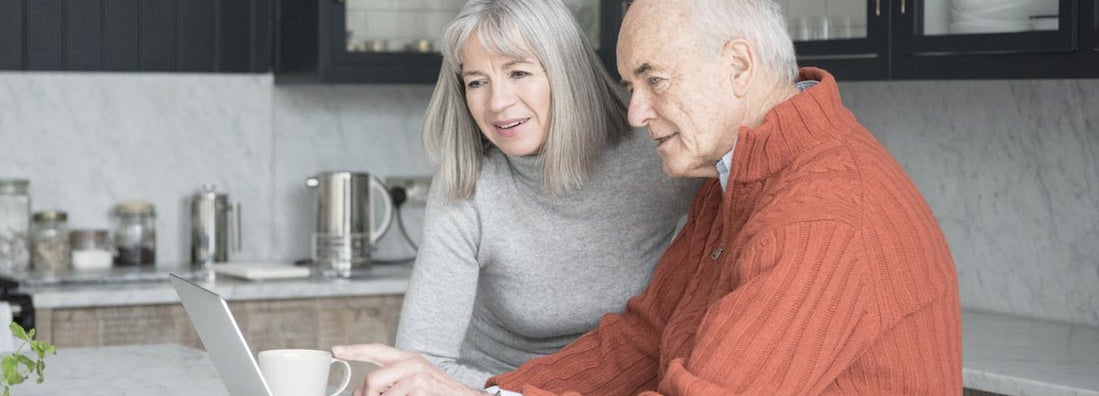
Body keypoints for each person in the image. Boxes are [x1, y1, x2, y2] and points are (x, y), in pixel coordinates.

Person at [334, 0, 963, 394]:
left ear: (738, 67)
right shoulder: (735, 178)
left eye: (654, 81)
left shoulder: (820, 217)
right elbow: (645, 336)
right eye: (632, 83)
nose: (635, 113)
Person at [388, 0, 699, 390]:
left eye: (518, 72)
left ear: (566, 72)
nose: (497, 102)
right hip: (494, 386)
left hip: (626, 381)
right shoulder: (469, 185)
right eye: (476, 81)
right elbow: (422, 363)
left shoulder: (652, 150)